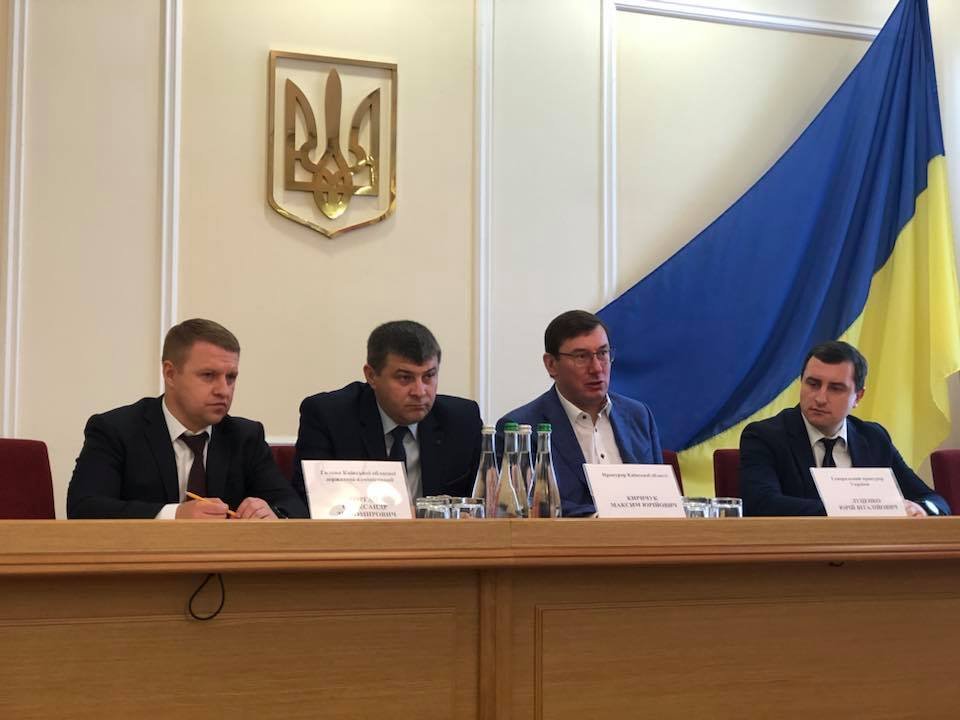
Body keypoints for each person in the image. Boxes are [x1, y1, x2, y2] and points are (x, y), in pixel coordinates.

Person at [67, 319, 308, 519]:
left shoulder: (245, 436)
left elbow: (293, 505)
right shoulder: (116, 430)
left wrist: (272, 513)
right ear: (170, 374)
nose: (223, 390)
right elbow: (84, 507)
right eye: (208, 375)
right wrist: (174, 515)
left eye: (231, 377)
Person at [740, 340, 950, 517]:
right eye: (813, 384)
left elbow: (935, 501)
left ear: (858, 396)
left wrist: (921, 509)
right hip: (797, 550)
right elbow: (761, 504)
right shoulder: (765, 436)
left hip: (869, 551)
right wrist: (859, 511)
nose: (820, 398)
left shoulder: (874, 438)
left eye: (835, 388)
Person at [292, 321, 482, 510]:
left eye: (428, 376)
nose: (419, 391)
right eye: (404, 378)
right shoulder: (329, 416)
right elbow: (311, 504)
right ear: (371, 376)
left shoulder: (462, 420)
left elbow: (483, 505)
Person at [497, 310, 663, 517]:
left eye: (602, 353)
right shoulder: (521, 428)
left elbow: (660, 495)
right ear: (551, 364)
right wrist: (601, 520)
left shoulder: (638, 416)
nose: (596, 368)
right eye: (581, 357)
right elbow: (525, 505)